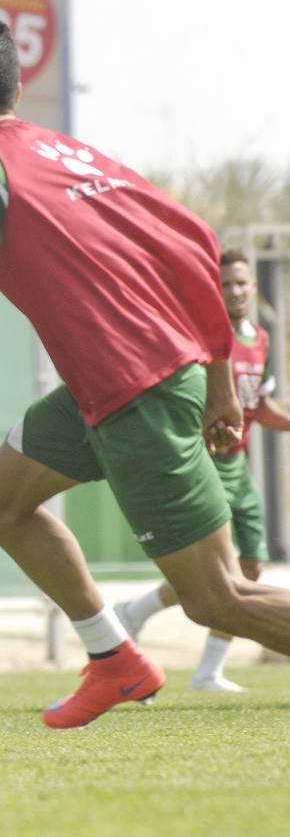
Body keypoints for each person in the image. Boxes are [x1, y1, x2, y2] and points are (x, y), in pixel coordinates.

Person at [0, 18, 290, 730]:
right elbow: (195, 242)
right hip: (119, 386)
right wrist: (217, 376)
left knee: (215, 598)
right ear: (18, 87)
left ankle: (118, 659)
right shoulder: (68, 153)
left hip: (137, 390)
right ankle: (115, 660)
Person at [115, 249, 290, 691]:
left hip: (240, 468)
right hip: (204, 464)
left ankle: (206, 668)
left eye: (241, 283)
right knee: (219, 576)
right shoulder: (201, 339)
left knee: (249, 570)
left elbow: (259, 406)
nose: (234, 291)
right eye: (225, 283)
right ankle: (139, 616)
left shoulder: (260, 338)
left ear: (254, 288)